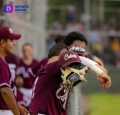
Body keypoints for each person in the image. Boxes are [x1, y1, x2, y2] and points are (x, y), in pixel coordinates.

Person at [29, 44, 111, 115]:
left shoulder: (57, 71)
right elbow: (79, 59)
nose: (72, 64)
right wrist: (100, 72)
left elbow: (79, 60)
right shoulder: (50, 68)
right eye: (67, 56)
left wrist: (92, 59)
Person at [0, 26, 28, 115]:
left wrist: (17, 106)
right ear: (3, 42)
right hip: (3, 110)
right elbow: (5, 91)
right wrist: (16, 113)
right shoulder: (1, 63)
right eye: (11, 40)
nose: (14, 44)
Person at [17, 43, 39, 108]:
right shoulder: (18, 62)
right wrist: (17, 79)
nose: (26, 52)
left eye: (28, 50)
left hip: (33, 90)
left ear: (32, 50)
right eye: (24, 50)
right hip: (22, 90)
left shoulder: (36, 63)